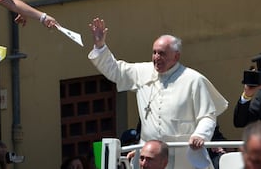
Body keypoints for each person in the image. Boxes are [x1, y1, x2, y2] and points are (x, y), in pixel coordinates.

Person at [88, 18, 228, 169]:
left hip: (184, 153)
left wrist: (200, 135)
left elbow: (207, 115)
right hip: (149, 155)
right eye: (154, 52)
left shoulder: (194, 80)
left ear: (176, 56)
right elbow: (115, 71)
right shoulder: (142, 72)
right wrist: (100, 45)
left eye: (161, 53)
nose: (156, 58)